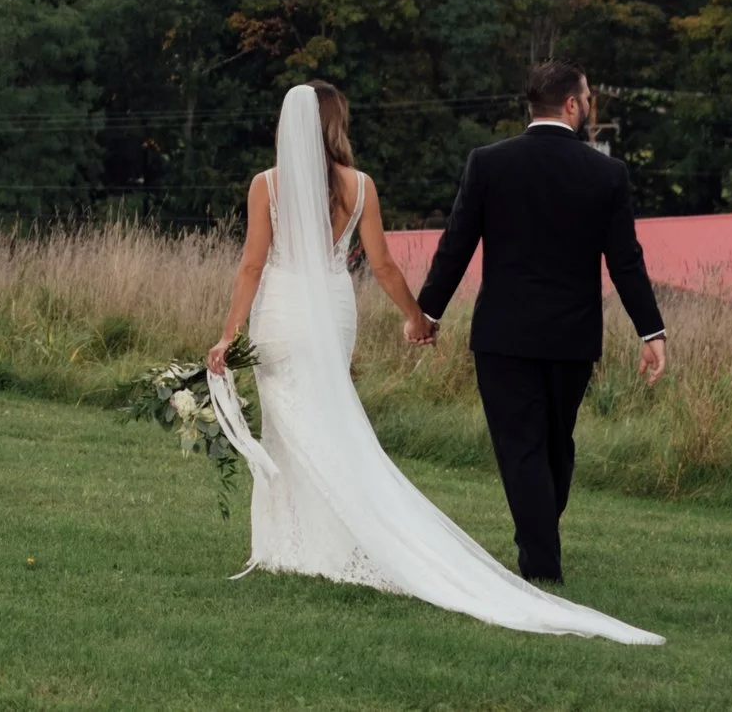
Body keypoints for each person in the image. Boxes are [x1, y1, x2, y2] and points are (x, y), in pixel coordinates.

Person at [203, 80, 661, 643]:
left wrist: (228, 335)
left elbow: (252, 266)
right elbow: (386, 265)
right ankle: (314, 540)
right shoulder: (362, 186)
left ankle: (307, 540)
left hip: (283, 312)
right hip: (338, 307)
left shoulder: (265, 186)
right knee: (331, 419)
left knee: (295, 424)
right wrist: (417, 315)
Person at [416, 60, 667, 586]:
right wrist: (652, 332)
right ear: (572, 105)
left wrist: (429, 312)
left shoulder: (488, 163)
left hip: (503, 336)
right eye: (589, 97)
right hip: (571, 338)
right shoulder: (606, 173)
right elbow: (626, 261)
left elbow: (456, 243)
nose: (591, 106)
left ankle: (537, 545)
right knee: (555, 444)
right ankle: (541, 562)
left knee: (527, 449)